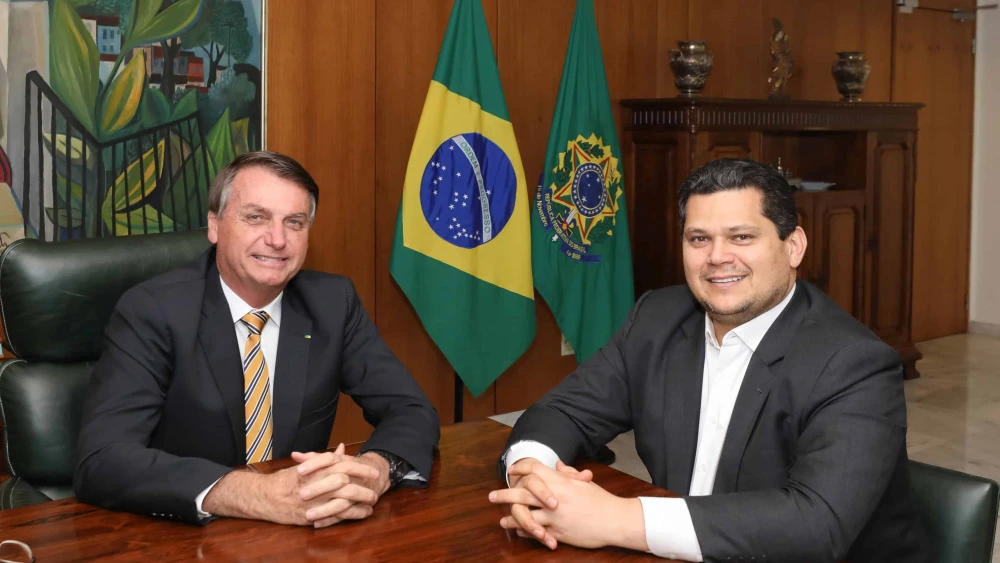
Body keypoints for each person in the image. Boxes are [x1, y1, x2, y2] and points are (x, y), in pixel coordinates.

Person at [490, 158, 928, 562]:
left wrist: (618, 518)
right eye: (699, 238)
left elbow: (816, 524)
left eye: (742, 236)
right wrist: (532, 479)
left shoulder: (854, 363)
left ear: (793, 246)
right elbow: (564, 411)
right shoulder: (657, 317)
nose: (717, 257)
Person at [74, 151, 439, 528]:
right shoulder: (152, 310)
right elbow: (102, 459)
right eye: (256, 217)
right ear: (214, 225)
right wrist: (253, 494)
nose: (277, 239)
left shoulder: (333, 303)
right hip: (181, 536)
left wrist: (374, 471)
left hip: (304, 534)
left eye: (294, 222)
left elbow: (412, 411)